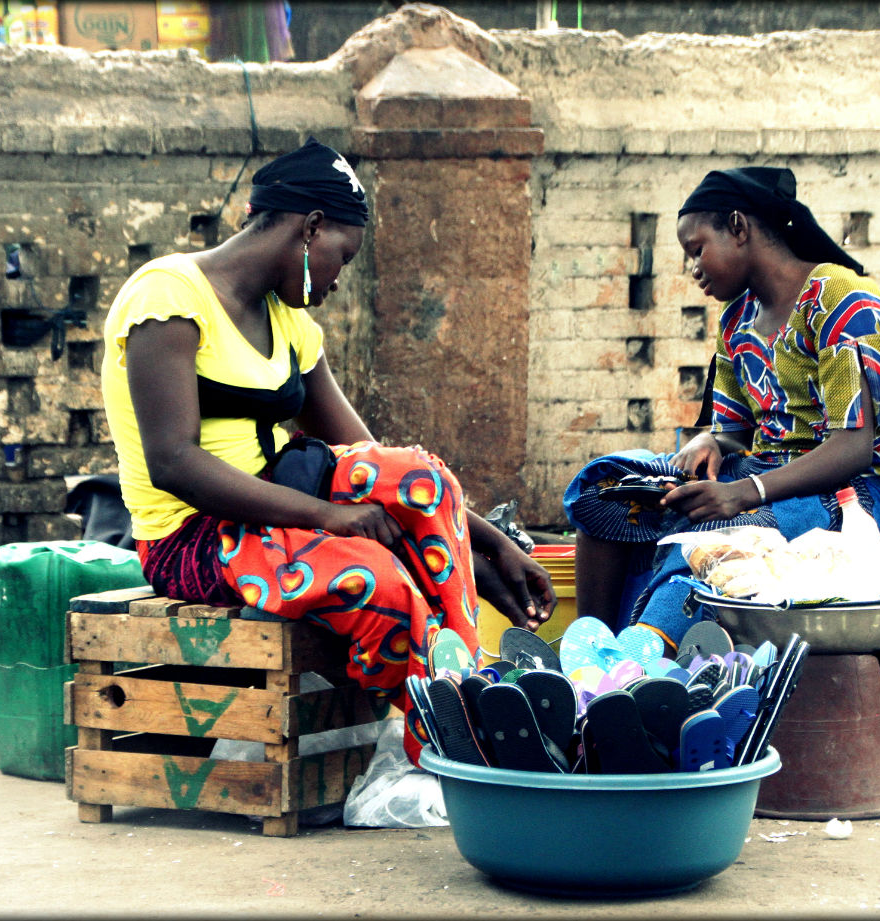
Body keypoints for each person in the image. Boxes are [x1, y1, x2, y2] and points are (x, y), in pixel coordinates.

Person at [100, 137, 555, 765]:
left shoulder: (289, 324)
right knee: (380, 581)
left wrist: (486, 542)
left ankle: (467, 682)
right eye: (343, 256)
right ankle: (450, 745)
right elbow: (174, 462)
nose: (340, 279)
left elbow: (366, 456)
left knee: (422, 477)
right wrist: (328, 518)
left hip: (281, 508)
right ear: (310, 229)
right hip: (194, 538)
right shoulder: (168, 296)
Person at [565, 166, 880, 650]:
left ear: (738, 227)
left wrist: (743, 493)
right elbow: (734, 430)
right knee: (603, 489)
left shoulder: (840, 299)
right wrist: (710, 440)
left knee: (714, 534)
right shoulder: (738, 319)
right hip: (766, 472)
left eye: (697, 249)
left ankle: (634, 664)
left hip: (851, 491)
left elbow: (854, 447)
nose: (693, 268)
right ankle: (590, 649)